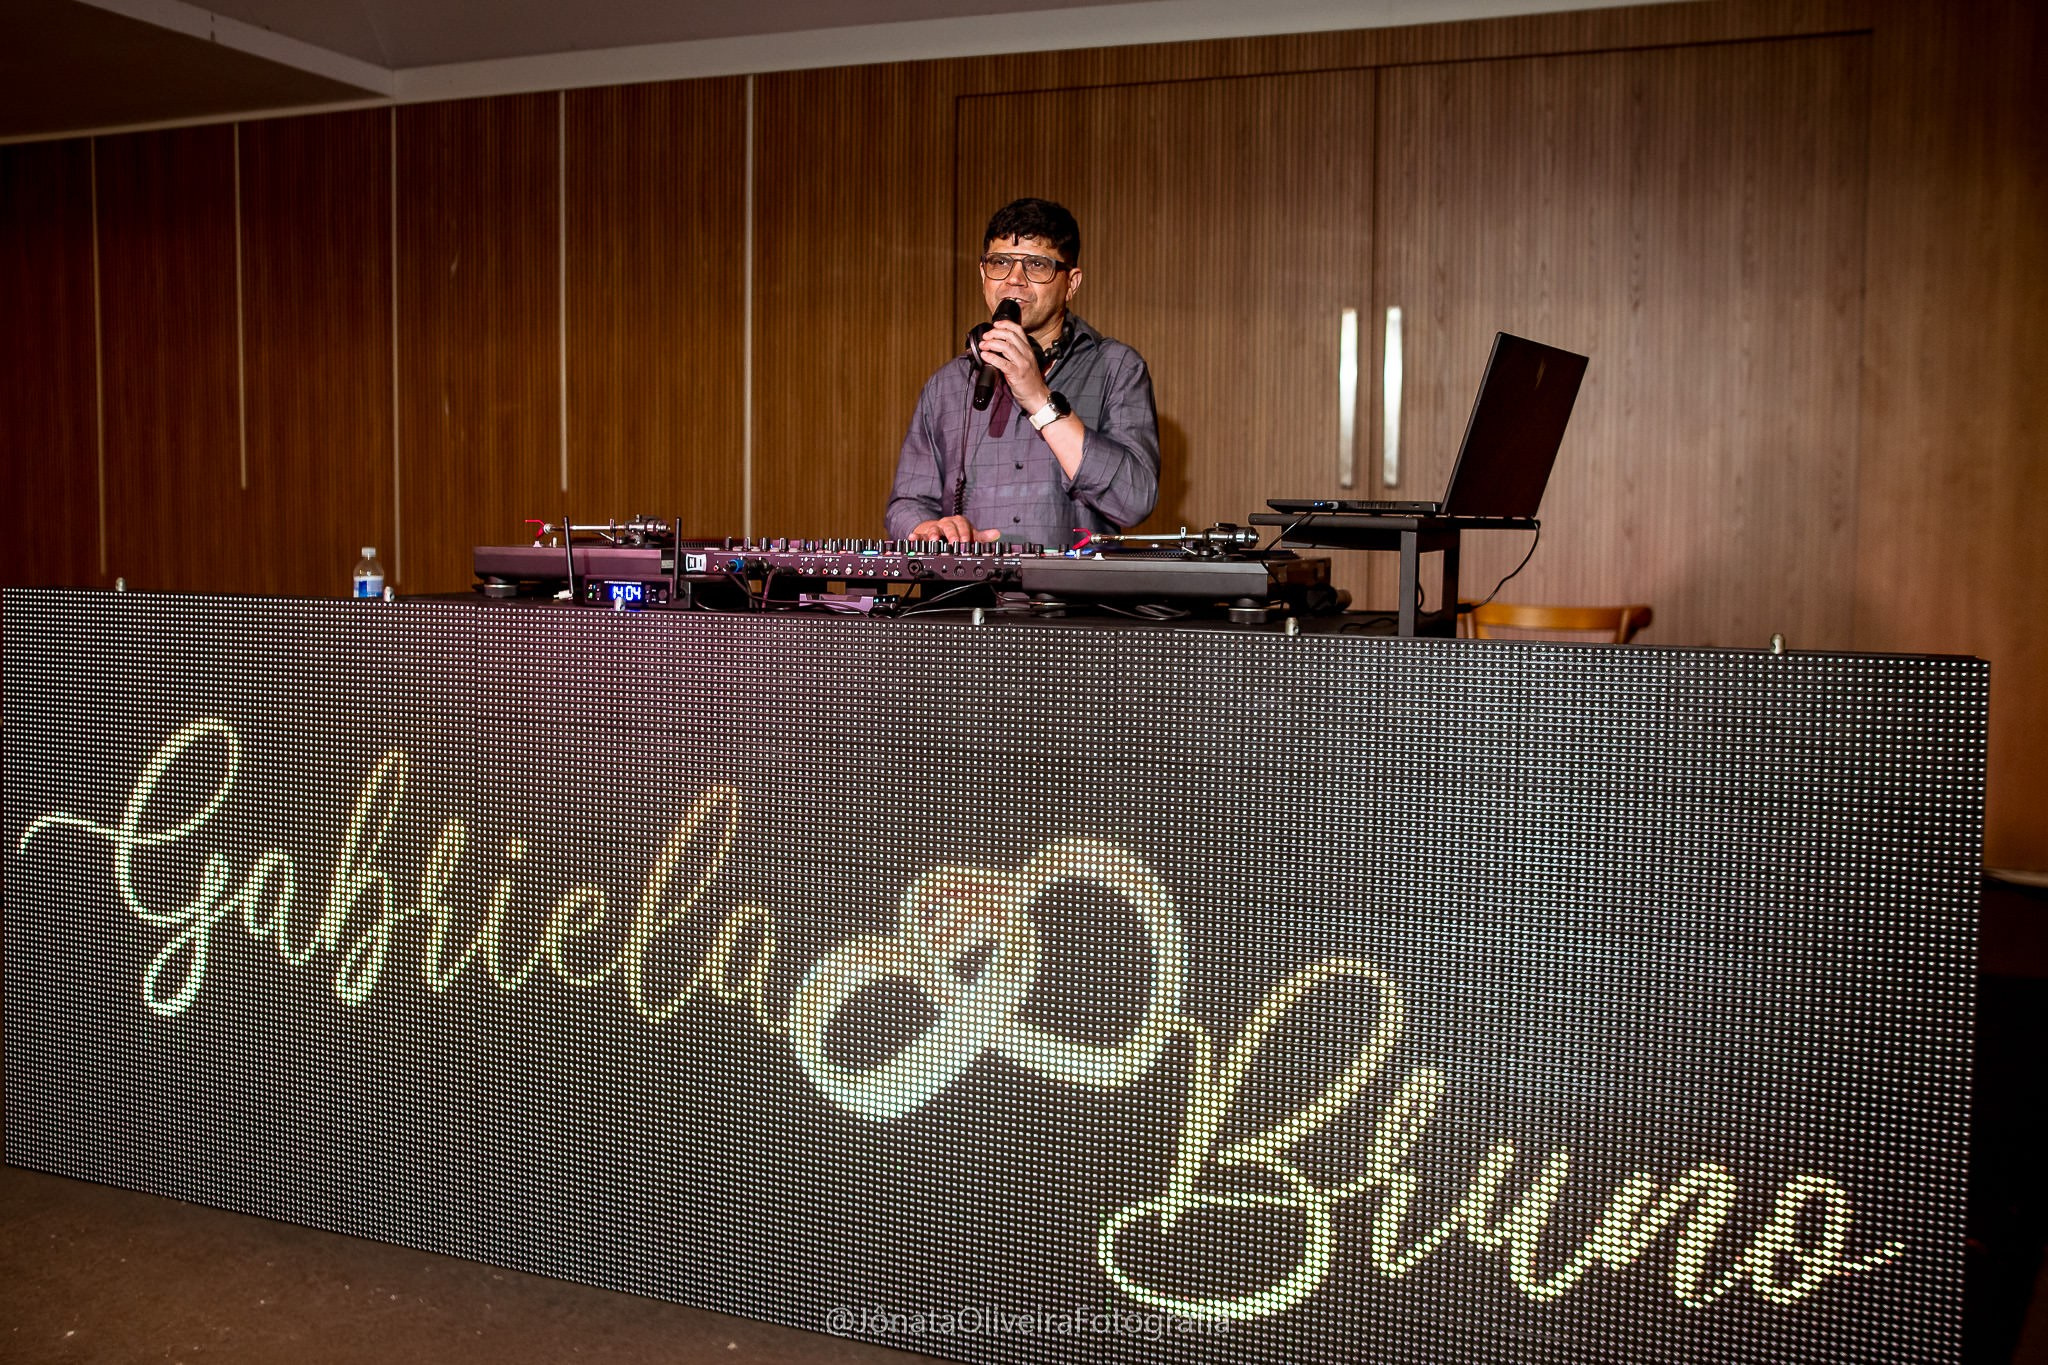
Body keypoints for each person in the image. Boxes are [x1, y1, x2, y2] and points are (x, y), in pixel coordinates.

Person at [885, 198, 1159, 549]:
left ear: (1071, 282)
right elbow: (906, 503)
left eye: (1036, 265)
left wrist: (1039, 399)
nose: (1014, 280)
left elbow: (1134, 500)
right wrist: (928, 528)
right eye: (1000, 262)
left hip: (1072, 601)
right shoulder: (946, 385)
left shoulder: (1118, 367)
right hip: (968, 599)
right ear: (983, 274)